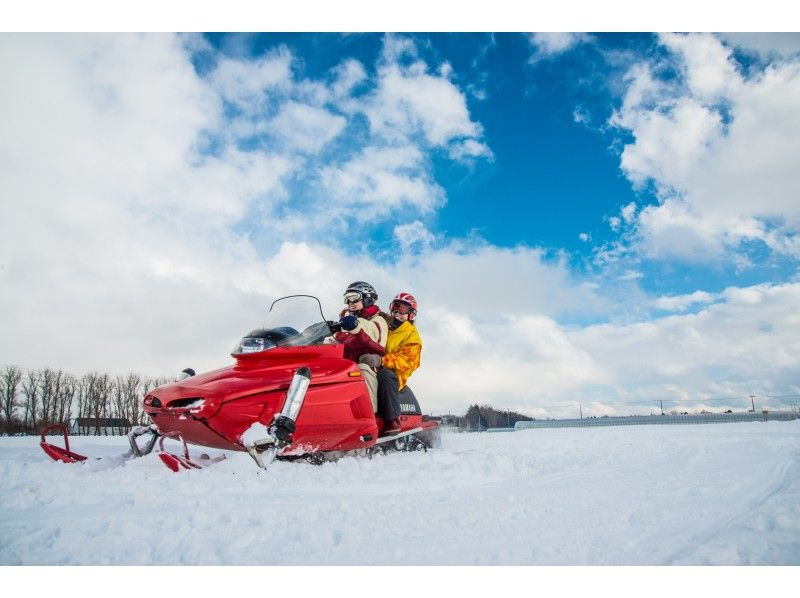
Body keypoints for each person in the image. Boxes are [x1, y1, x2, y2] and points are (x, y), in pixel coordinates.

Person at [361, 292, 422, 435]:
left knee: (385, 375)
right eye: (395, 308)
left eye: (403, 310)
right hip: (373, 366)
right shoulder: (385, 326)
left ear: (411, 314)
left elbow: (408, 361)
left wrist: (381, 360)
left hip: (395, 375)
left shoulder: (411, 335)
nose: (397, 313)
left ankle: (391, 420)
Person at [334, 281, 390, 410]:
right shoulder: (345, 322)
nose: (350, 303)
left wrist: (355, 325)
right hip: (346, 367)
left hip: (372, 369)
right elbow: (331, 340)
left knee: (362, 368)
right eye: (347, 299)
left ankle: (370, 415)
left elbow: (371, 331)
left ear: (367, 299)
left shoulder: (378, 320)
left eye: (354, 297)